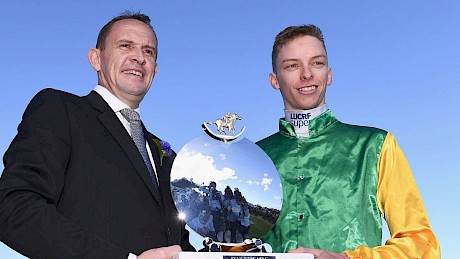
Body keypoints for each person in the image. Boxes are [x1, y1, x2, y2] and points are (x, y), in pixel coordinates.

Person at [0, 11, 194, 259]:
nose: (139, 57)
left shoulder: (166, 153)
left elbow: (178, 241)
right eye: (125, 46)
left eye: (149, 52)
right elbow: (14, 206)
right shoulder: (60, 110)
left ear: (154, 70)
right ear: (96, 59)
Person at [256, 24, 440, 258]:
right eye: (292, 65)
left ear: (329, 74)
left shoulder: (376, 145)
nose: (307, 74)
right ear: (274, 80)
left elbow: (423, 245)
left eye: (317, 63)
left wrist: (347, 258)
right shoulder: (254, 157)